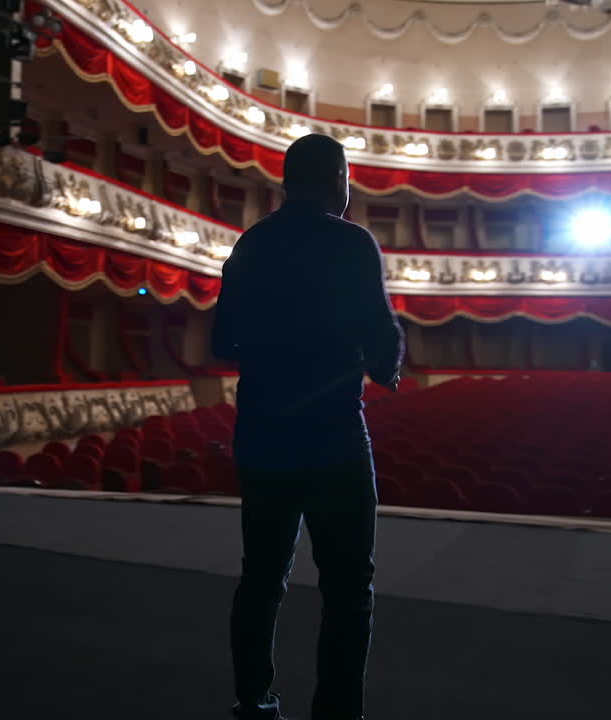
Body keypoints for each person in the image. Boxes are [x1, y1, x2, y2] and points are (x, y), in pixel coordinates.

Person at [212, 133, 404, 720]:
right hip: (333, 437)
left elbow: (222, 341)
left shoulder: (253, 243)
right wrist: (383, 363)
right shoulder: (351, 242)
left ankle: (253, 701)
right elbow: (382, 342)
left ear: (287, 181)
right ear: (338, 179)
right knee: (347, 588)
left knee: (261, 576)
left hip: (263, 433)